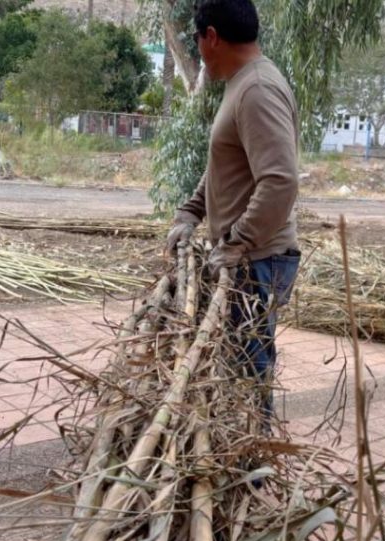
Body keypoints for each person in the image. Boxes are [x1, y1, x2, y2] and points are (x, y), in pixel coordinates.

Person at [164, 0, 300, 427]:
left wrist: (237, 244)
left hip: (257, 261)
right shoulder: (243, 83)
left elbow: (280, 181)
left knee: (247, 376)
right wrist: (191, 211)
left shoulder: (257, 89)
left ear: (211, 37)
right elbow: (226, 164)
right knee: (237, 368)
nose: (198, 51)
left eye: (197, 41)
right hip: (247, 257)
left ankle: (250, 463)